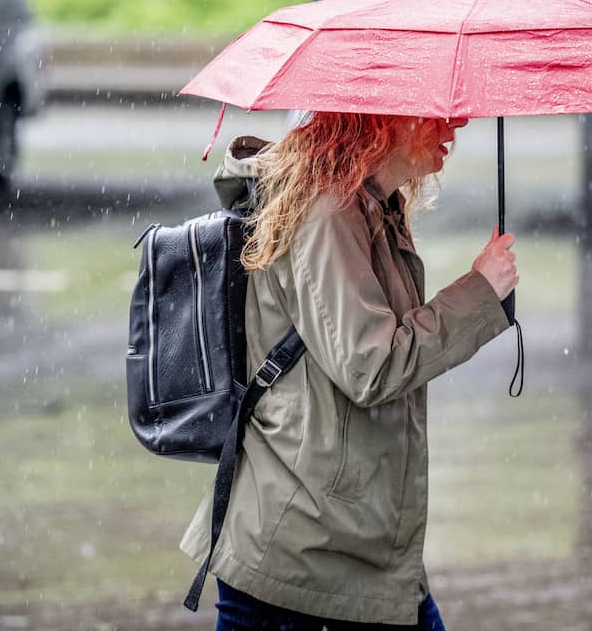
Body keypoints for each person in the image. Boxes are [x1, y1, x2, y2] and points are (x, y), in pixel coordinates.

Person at [182, 113, 518, 630]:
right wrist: (479, 291)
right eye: (433, 111)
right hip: (306, 560)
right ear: (382, 119)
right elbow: (371, 366)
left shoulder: (370, 207)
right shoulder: (328, 214)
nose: (458, 119)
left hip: (347, 546)